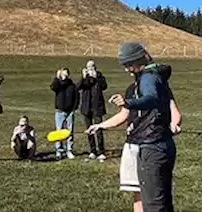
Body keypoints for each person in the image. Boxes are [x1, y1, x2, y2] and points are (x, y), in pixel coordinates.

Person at [87, 42, 179, 212]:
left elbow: (151, 98)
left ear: (138, 59)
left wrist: (129, 102)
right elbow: (125, 115)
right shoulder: (153, 78)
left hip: (151, 146)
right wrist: (100, 125)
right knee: (161, 201)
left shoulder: (148, 78)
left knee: (153, 205)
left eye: (129, 64)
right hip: (156, 144)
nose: (127, 69)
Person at [78, 59, 109, 160]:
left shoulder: (99, 76)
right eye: (88, 67)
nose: (90, 69)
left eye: (92, 67)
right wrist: (83, 77)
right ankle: (92, 150)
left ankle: (101, 151)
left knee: (99, 129)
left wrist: (96, 77)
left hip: (97, 107)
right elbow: (78, 87)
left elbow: (104, 86)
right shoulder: (85, 78)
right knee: (89, 130)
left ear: (95, 68)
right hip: (87, 108)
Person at [49, 67, 79, 159]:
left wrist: (74, 108)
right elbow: (53, 87)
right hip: (60, 111)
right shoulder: (58, 84)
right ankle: (59, 150)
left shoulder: (72, 85)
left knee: (70, 131)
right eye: (63, 74)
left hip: (70, 111)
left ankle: (69, 150)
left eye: (66, 74)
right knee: (59, 131)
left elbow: (76, 97)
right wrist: (57, 78)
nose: (65, 76)